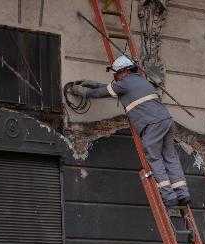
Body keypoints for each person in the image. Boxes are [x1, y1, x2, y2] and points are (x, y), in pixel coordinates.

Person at [70, 55, 190, 208]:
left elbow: (102, 92)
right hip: (166, 120)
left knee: (154, 157)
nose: (115, 76)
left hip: (151, 124)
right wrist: (92, 84)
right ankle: (182, 193)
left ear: (125, 71)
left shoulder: (124, 83)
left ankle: (169, 196)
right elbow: (111, 89)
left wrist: (81, 91)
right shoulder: (141, 81)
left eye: (116, 73)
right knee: (170, 156)